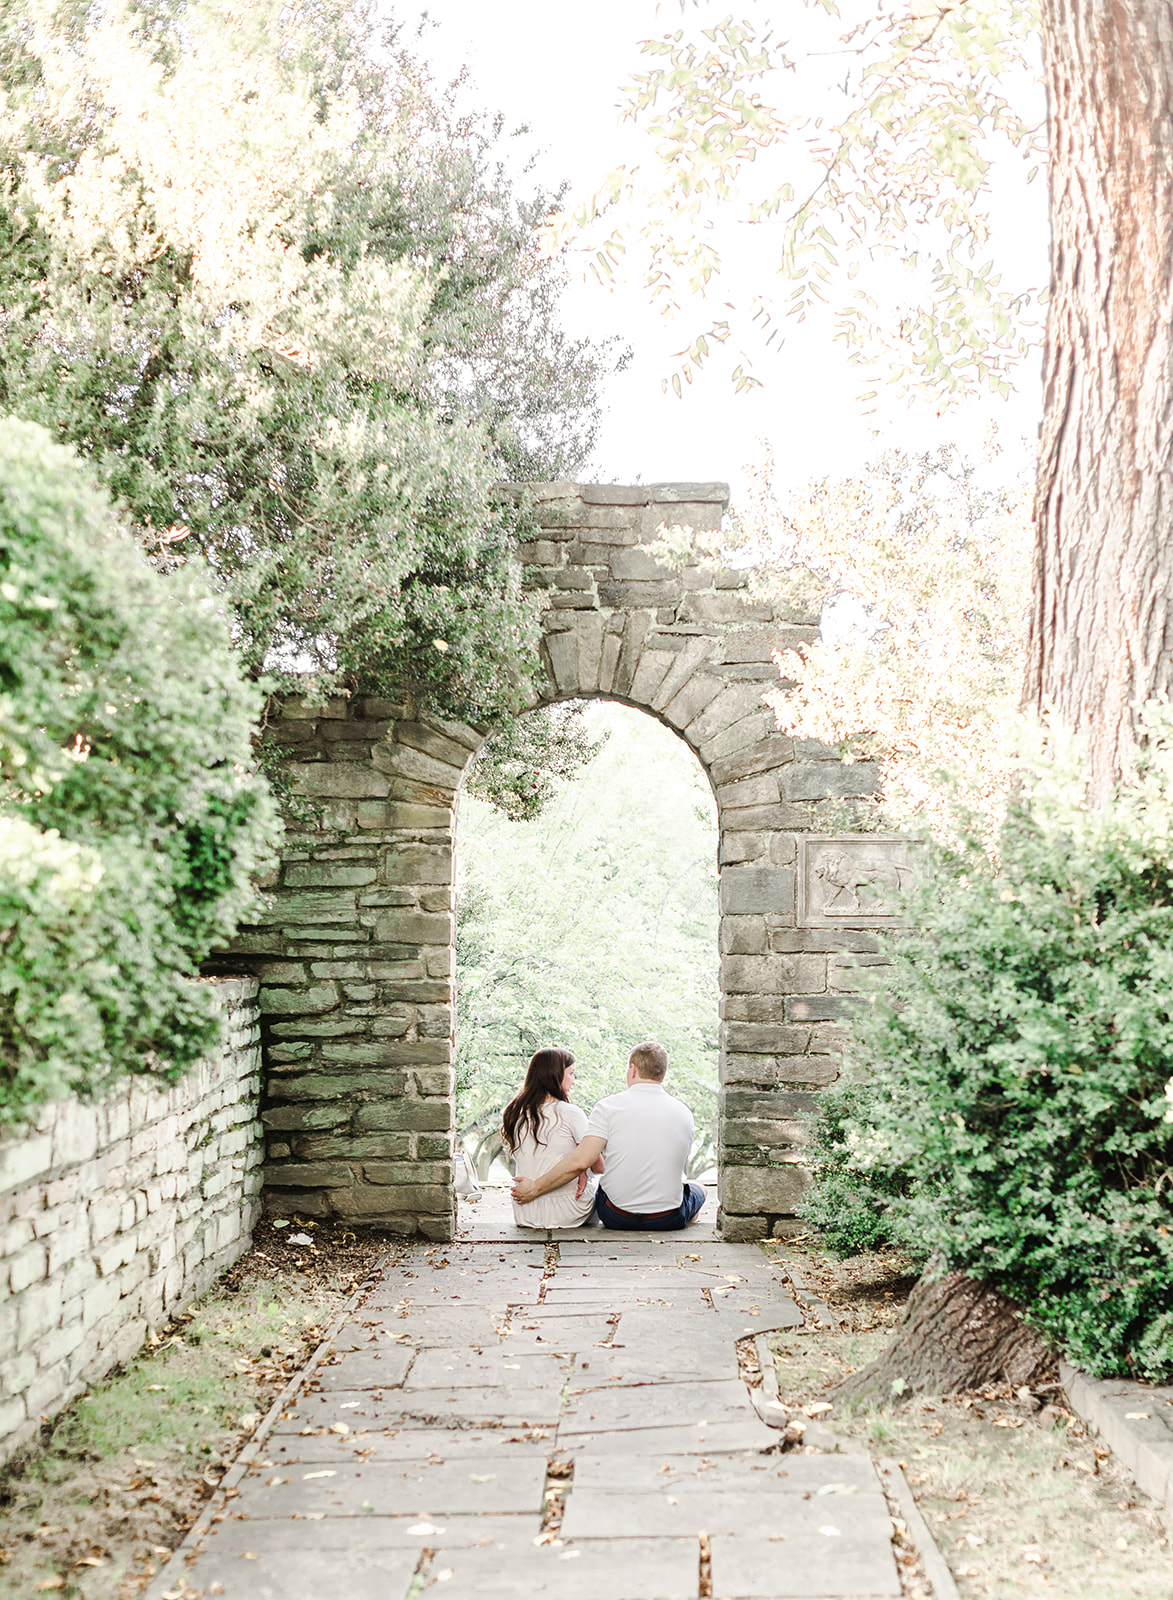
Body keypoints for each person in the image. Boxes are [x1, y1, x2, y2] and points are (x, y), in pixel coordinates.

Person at [510, 1041, 706, 1231]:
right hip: (667, 1218)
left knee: (604, 1185)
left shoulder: (608, 1106)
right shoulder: (684, 1112)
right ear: (663, 1072)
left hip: (616, 1216)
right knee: (699, 1189)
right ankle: (688, 1218)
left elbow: (582, 1161)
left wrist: (537, 1186)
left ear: (633, 1069)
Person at [502, 1046, 603, 1229]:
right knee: (603, 1185)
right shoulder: (571, 1113)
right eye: (571, 1073)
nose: (574, 1081)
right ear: (555, 1075)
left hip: (525, 1212)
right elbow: (598, 1165)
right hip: (566, 1212)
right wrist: (582, 1168)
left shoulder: (515, 1113)